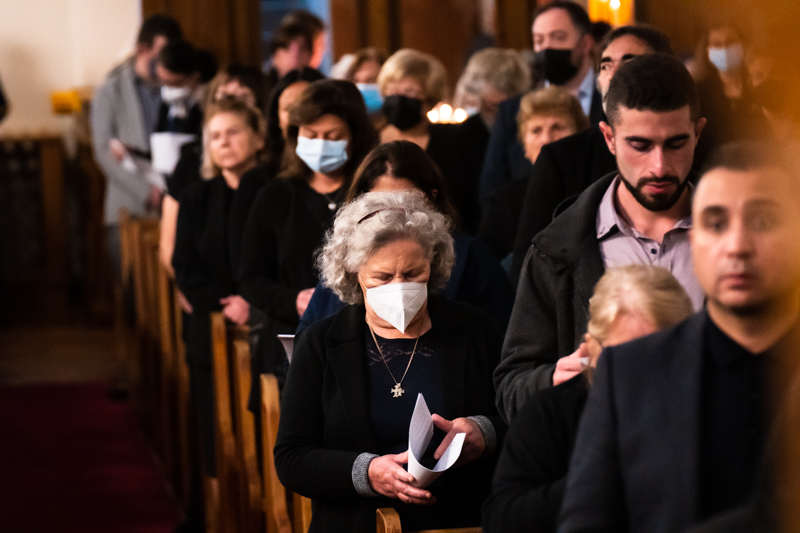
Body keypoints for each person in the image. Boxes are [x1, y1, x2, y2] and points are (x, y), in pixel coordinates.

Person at [559, 141, 800, 531]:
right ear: (693, 237)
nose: (737, 246)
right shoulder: (630, 374)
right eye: (716, 224)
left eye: (763, 221)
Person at [274, 190, 504, 532]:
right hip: (354, 522)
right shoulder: (321, 342)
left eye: (413, 273)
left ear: (433, 265)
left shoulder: (473, 329)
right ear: (354, 274)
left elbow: (521, 421)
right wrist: (366, 472)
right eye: (382, 277)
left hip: (461, 519)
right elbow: (291, 458)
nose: (400, 286)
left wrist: (485, 433)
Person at [494, 53, 707, 422]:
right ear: (608, 137)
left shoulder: (738, 239)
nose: (658, 166)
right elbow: (511, 388)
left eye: (675, 144)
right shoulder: (557, 250)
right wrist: (554, 379)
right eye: (640, 145)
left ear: (698, 133)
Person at [483, 265, 694, 533]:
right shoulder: (551, 413)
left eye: (660, 354)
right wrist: (602, 476)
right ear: (592, 348)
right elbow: (503, 519)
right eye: (627, 355)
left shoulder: (709, 404)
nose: (643, 371)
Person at [239, 79, 378, 393]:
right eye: (311, 135)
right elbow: (250, 277)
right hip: (291, 343)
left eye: (332, 136)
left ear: (354, 137)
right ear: (295, 136)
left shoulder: (371, 194)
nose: (320, 143)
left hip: (365, 339)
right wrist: (293, 301)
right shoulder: (274, 195)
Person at [510, 24, 673, 285]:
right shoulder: (560, 159)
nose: (614, 74)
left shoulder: (697, 151)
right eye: (606, 65)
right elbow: (529, 266)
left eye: (630, 62)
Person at [298, 140, 514, 333]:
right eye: (380, 204)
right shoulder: (346, 258)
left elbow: (501, 339)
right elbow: (308, 337)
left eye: (406, 203)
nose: (392, 215)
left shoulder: (470, 256)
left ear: (431, 199)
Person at [172, 98, 268, 477]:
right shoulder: (197, 197)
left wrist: (251, 302)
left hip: (263, 323)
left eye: (233, 132)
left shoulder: (274, 191)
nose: (223, 142)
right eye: (215, 136)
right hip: (210, 327)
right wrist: (226, 304)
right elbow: (185, 266)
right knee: (216, 443)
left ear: (258, 138)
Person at [479, 1, 601, 202]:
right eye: (539, 40)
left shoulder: (608, 102)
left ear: (586, 43)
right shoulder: (512, 111)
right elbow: (492, 191)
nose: (546, 48)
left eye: (558, 37)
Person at [91, 14, 182, 278]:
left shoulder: (175, 85)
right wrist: (147, 192)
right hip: (130, 204)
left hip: (174, 201)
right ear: (143, 50)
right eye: (162, 53)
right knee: (134, 286)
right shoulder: (111, 89)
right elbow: (103, 151)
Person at [159, 63, 268, 276]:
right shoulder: (192, 168)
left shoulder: (271, 178)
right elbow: (173, 248)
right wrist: (193, 292)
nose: (231, 104)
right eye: (224, 96)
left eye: (242, 97)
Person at [378, 49, 485, 234]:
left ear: (429, 99)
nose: (399, 97)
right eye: (392, 90)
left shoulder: (455, 140)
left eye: (409, 91)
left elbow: (470, 202)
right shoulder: (370, 140)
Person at [478, 86, 589, 263]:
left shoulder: (598, 192)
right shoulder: (502, 202)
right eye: (536, 130)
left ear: (580, 137)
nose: (546, 139)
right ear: (524, 147)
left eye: (557, 127)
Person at [262, 67, 326, 178]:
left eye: (305, 106)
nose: (296, 116)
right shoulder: (260, 177)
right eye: (289, 108)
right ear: (277, 118)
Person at [264, 11, 325, 97]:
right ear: (274, 56)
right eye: (286, 48)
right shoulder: (263, 90)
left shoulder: (322, 90)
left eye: (303, 48)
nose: (295, 55)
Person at [153, 40, 207, 136]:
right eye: (162, 81)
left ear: (194, 77)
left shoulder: (206, 106)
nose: (166, 88)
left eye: (173, 83)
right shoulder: (165, 105)